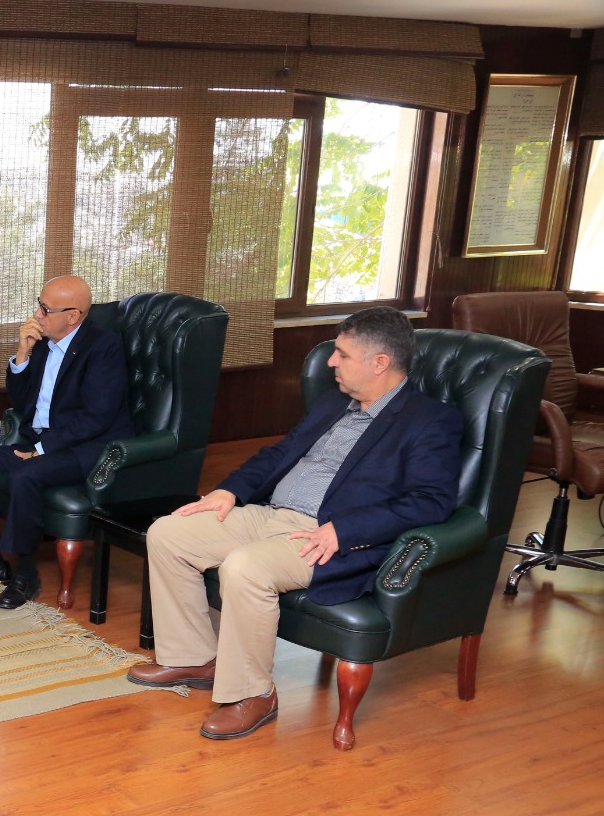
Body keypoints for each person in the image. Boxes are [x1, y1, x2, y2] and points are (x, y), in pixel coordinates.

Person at [127, 306, 464, 740]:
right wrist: (229, 490)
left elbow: (431, 502)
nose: (331, 362)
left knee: (245, 567)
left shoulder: (429, 421)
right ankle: (195, 659)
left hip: (326, 536)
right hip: (270, 513)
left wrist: (346, 530)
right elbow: (280, 454)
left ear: (379, 362)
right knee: (168, 533)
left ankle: (254, 695)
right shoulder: (334, 402)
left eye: (342, 354)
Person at [0, 275, 134, 609]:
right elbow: (22, 403)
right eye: (39, 305)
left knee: (26, 474)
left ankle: (26, 575)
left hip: (86, 448)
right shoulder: (44, 343)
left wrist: (41, 451)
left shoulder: (103, 348)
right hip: (39, 443)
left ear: (73, 316)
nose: (37, 314)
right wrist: (22, 353)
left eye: (45, 309)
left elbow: (96, 418)